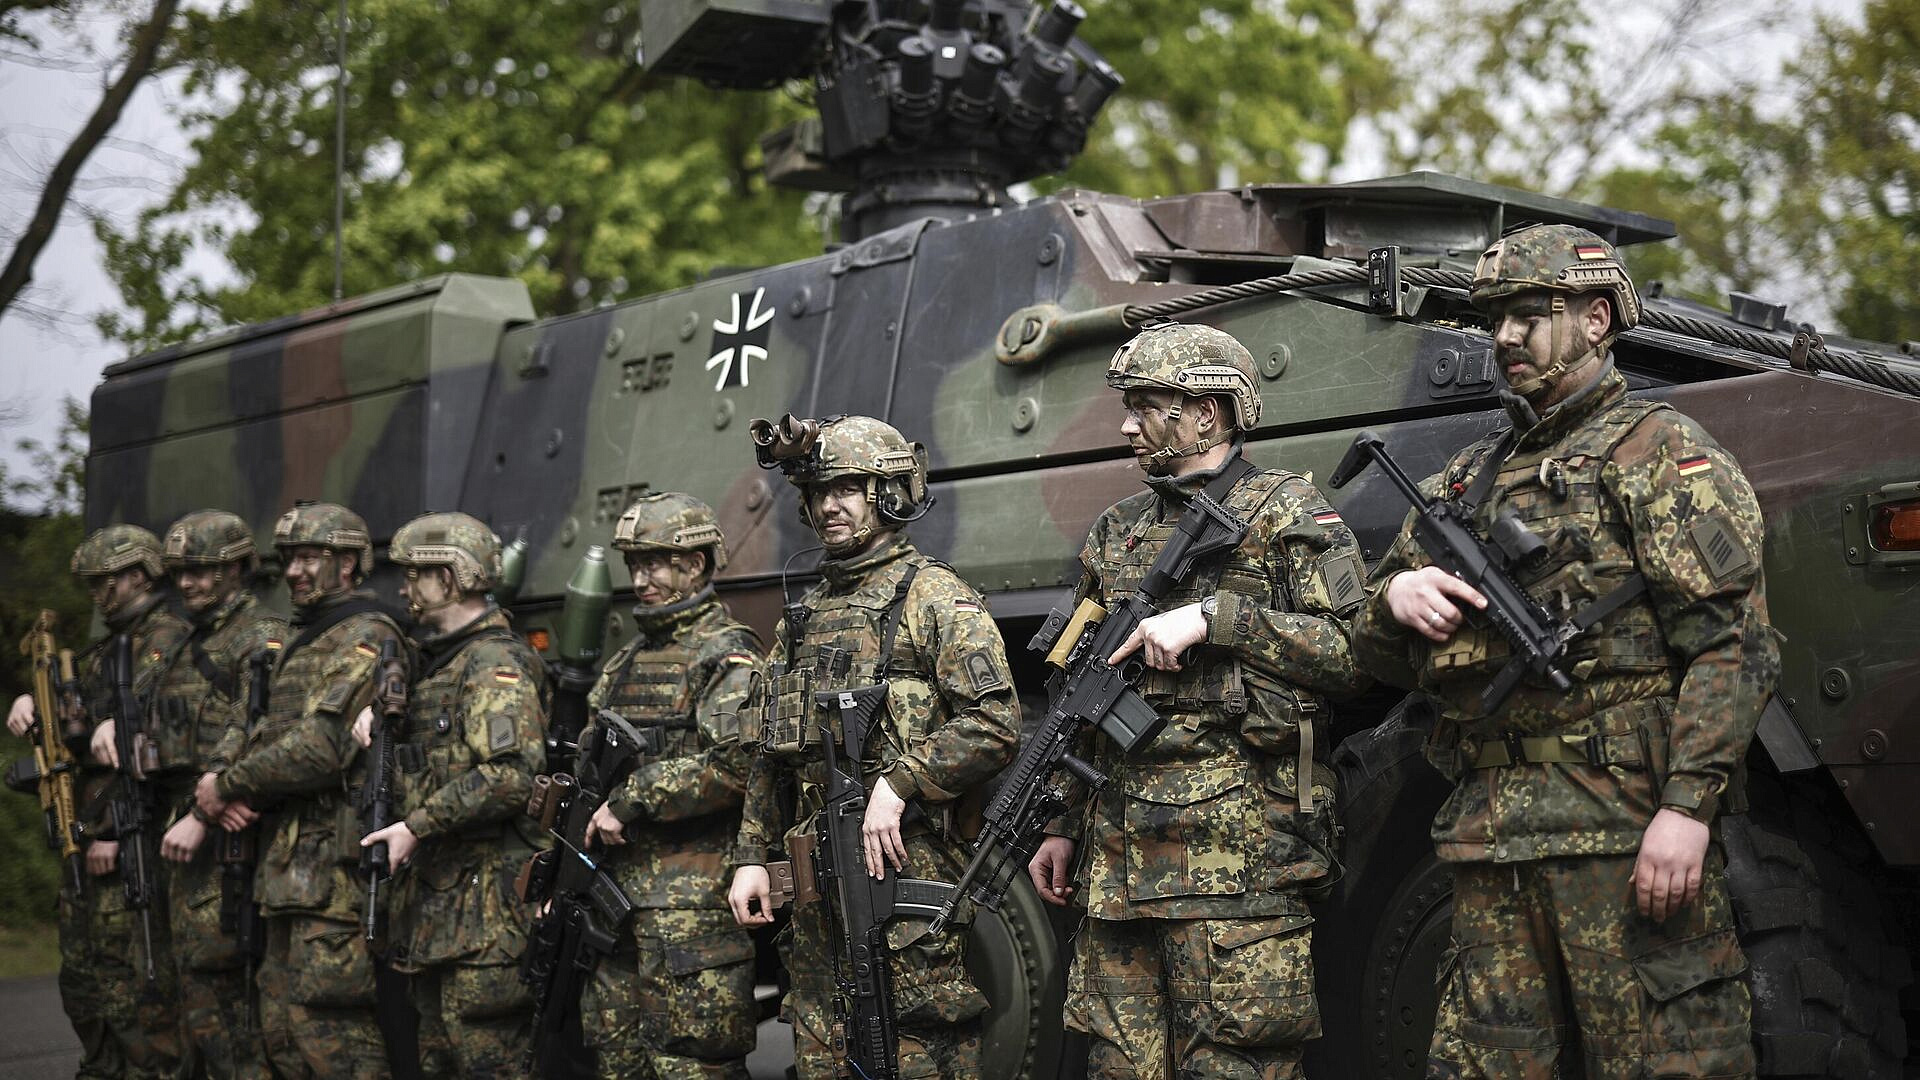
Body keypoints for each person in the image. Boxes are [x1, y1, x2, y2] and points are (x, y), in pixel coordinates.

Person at [1347, 223, 1778, 1078]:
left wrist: (1687, 812)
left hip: (1623, 835)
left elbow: (1734, 646)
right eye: (1492, 318)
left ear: (1597, 316)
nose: (1504, 336)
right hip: (1490, 845)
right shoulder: (1465, 480)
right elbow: (1375, 658)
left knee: (1666, 1060)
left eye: (1527, 313)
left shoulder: (1660, 453)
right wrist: (1394, 599)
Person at [1026, 321, 1368, 1078]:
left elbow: (1357, 654)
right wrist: (1056, 819)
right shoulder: (1116, 532)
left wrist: (1218, 619)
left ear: (1208, 412)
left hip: (1236, 871)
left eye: (1146, 403)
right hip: (1117, 874)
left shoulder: (1288, 514)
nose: (1124, 423)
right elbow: (1079, 690)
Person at [727, 414, 1020, 1078]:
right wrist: (750, 857)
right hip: (817, 896)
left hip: (902, 878)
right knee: (824, 1053)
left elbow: (997, 722)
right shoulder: (802, 619)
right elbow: (770, 751)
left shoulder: (932, 596)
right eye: (819, 492)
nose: (829, 505)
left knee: (918, 1053)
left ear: (890, 492)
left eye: (849, 488)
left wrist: (900, 783)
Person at [195, 501, 405, 1078]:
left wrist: (233, 785)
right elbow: (249, 723)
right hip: (286, 868)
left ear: (348, 563)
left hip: (335, 873)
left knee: (332, 1033)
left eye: (310, 558)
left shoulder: (369, 634)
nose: (293, 571)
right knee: (282, 1033)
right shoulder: (297, 640)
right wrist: (215, 782)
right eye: (288, 559)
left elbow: (323, 746)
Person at [575, 492, 765, 1078]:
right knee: (619, 1063)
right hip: (617, 908)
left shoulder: (727, 654)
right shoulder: (625, 661)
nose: (641, 578)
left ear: (698, 564)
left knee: (691, 1068)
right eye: (634, 563)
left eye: (656, 561)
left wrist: (632, 798)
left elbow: (739, 764)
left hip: (690, 911)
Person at [354, 511, 546, 1077]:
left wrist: (416, 827)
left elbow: (511, 773)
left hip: (486, 927)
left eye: (417, 574)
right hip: (441, 920)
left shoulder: (493, 663)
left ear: (454, 576)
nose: (405, 587)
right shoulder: (436, 662)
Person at [8, 524, 189, 1079]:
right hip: (84, 837)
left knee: (133, 987)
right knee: (83, 985)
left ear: (138, 574)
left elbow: (173, 739)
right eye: (91, 582)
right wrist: (29, 705)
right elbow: (77, 728)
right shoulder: (105, 648)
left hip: (134, 839)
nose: (96, 592)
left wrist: (109, 825)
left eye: (106, 580)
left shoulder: (172, 638)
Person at [137, 509, 286, 1078]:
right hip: (177, 832)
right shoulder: (183, 641)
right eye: (180, 572)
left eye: (201, 571)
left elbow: (262, 724)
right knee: (182, 1001)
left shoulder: (259, 637)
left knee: (222, 1007)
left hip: (226, 840)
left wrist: (207, 806)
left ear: (237, 569)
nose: (187, 583)